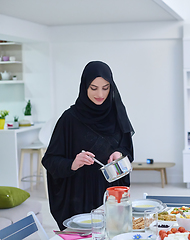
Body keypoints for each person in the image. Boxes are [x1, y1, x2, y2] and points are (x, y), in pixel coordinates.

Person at [42, 61, 134, 230]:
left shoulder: (117, 113)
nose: (100, 94)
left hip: (112, 194)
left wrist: (119, 154)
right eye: (94, 88)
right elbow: (50, 160)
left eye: (105, 88)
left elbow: (127, 148)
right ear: (84, 86)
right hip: (80, 195)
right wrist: (73, 163)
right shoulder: (69, 119)